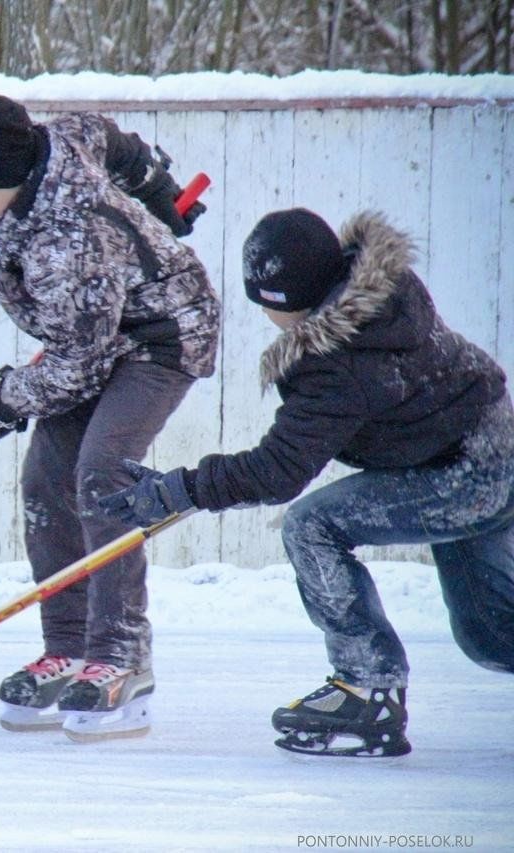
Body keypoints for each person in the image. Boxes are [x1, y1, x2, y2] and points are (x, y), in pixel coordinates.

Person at [99, 207, 514, 757]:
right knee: (491, 635)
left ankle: (367, 690)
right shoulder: (380, 293)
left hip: (465, 470)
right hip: (486, 440)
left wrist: (181, 489)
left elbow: (278, 471)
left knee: (312, 524)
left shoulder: (339, 361)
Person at [0, 94, 220, 740]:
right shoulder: (54, 142)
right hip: (94, 334)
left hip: (161, 335)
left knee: (101, 470)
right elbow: (106, 136)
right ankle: (67, 646)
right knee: (44, 476)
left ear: (8, 178)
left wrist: (6, 402)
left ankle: (121, 653)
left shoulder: (71, 238)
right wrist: (158, 188)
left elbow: (78, 365)